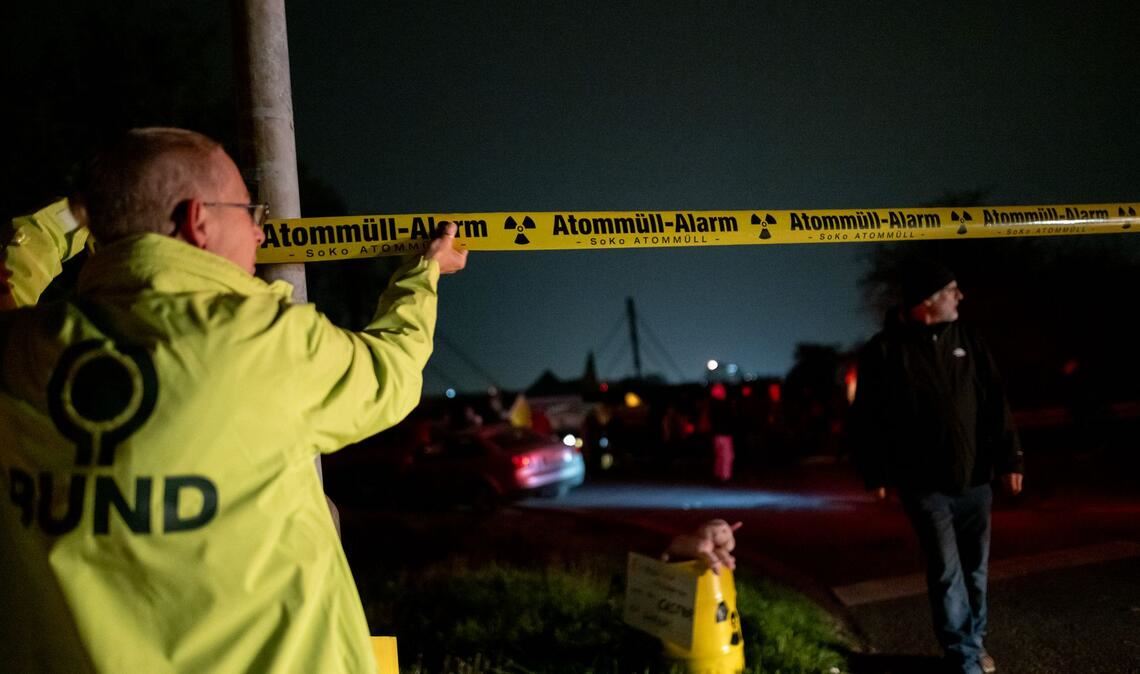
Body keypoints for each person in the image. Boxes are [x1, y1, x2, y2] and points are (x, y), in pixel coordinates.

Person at [0, 127, 467, 673]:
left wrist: (80, 217)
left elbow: (11, 273)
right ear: (199, 220)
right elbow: (393, 368)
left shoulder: (20, 354)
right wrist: (424, 273)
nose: (262, 235)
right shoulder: (267, 343)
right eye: (250, 213)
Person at [848, 259, 1024, 674]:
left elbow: (995, 401)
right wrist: (875, 473)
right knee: (947, 572)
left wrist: (1010, 457)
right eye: (951, 289)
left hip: (976, 479)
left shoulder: (968, 338)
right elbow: (866, 420)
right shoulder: (885, 351)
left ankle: (973, 642)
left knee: (975, 572)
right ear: (927, 302)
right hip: (924, 485)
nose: (960, 296)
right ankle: (962, 655)